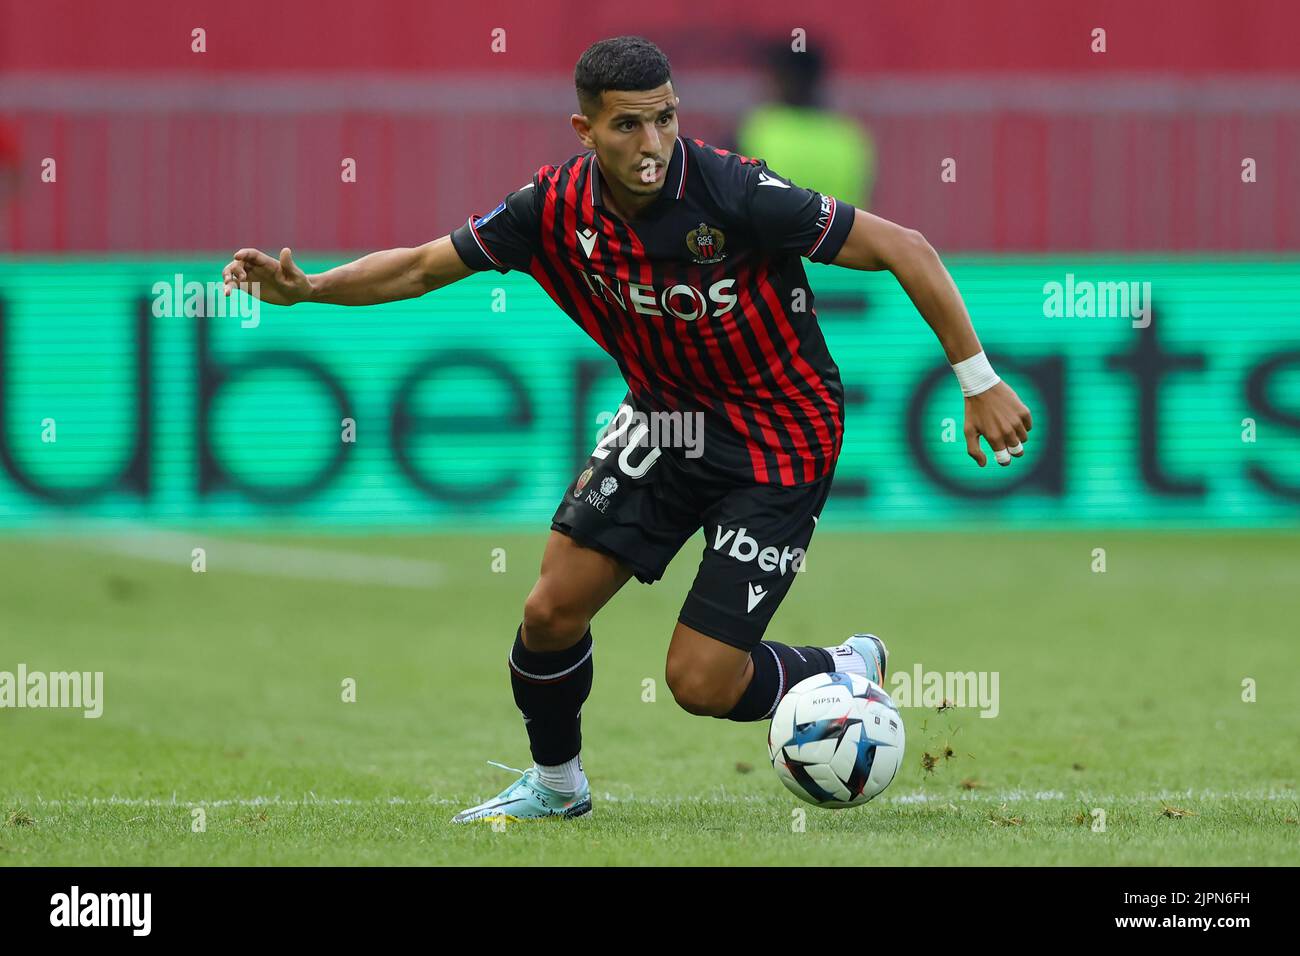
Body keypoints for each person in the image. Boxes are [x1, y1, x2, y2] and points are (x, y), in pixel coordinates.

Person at [221, 36, 1032, 824]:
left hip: (779, 437)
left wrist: (979, 380)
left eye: (665, 119)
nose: (652, 143)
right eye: (628, 125)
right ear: (585, 129)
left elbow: (905, 246)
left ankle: (839, 667)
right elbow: (423, 266)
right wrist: (312, 288)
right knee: (548, 611)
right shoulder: (553, 207)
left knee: (701, 683)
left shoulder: (736, 193)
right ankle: (556, 786)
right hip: (667, 421)